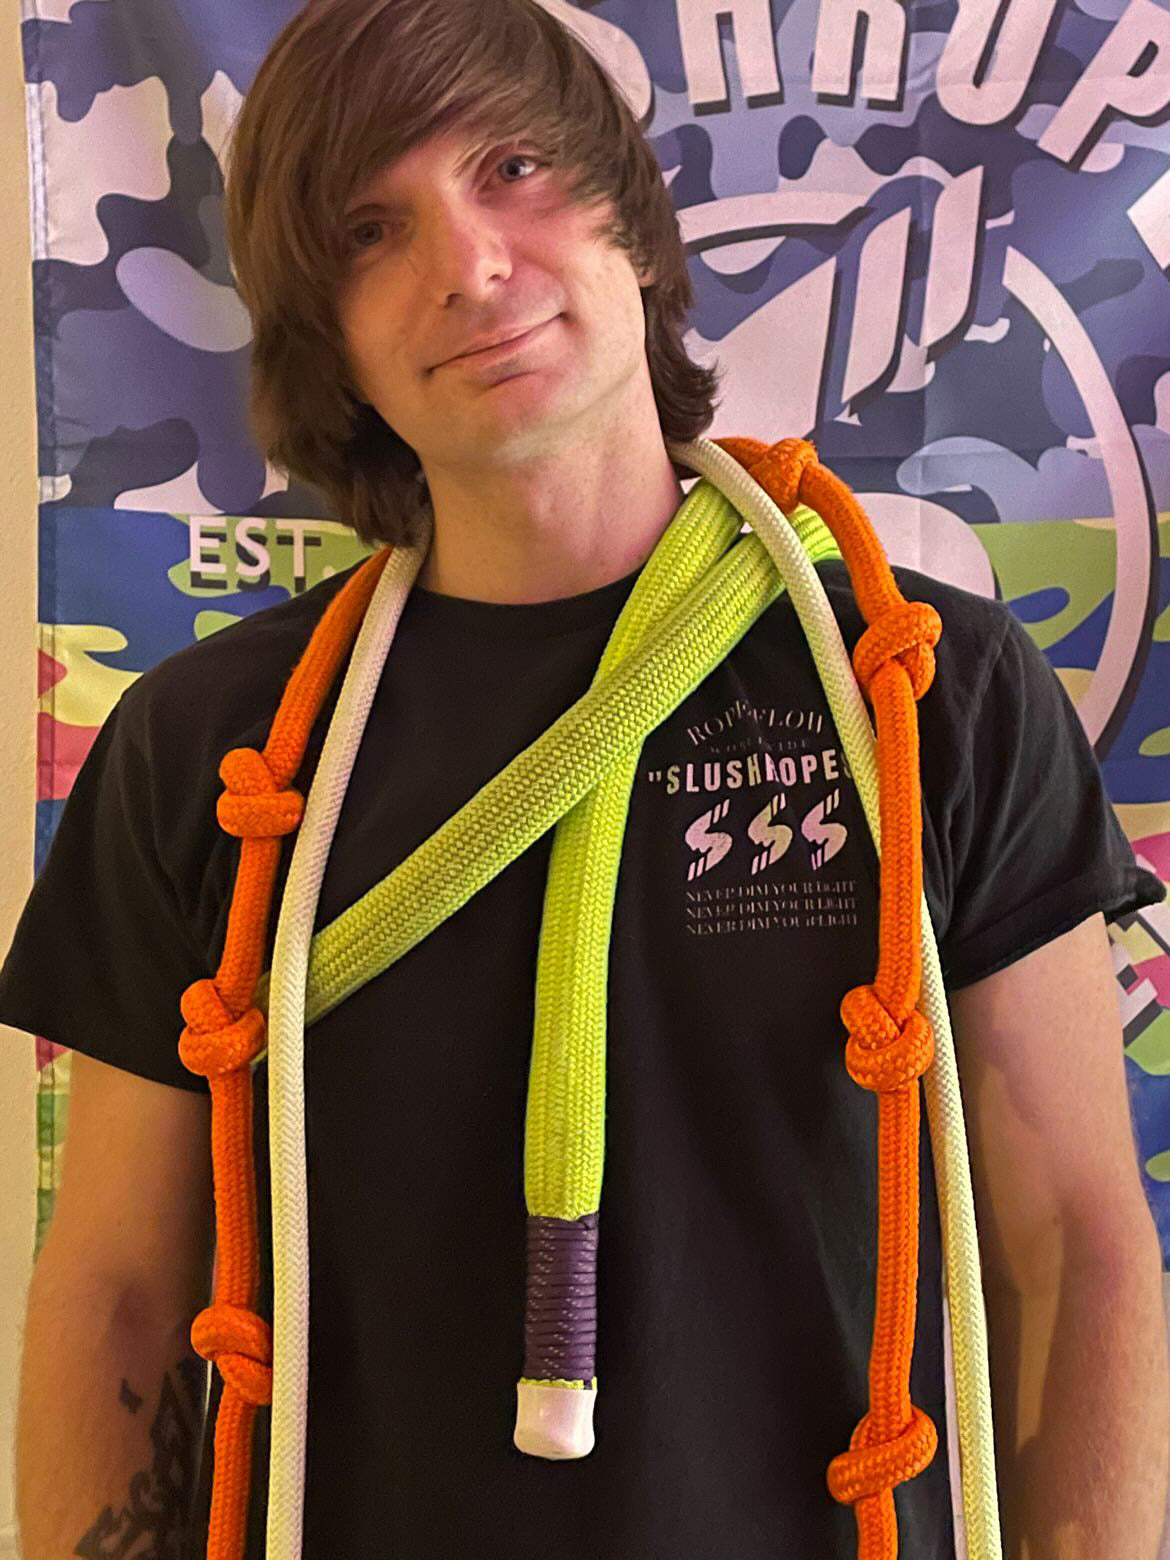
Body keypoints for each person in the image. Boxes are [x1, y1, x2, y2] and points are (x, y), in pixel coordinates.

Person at [4, 0, 1168, 1556]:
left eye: (512, 168)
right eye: (369, 231)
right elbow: (118, 1293)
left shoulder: (922, 692)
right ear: (325, 339)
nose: (468, 264)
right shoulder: (214, 755)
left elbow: (1072, 1244)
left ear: (632, 221)